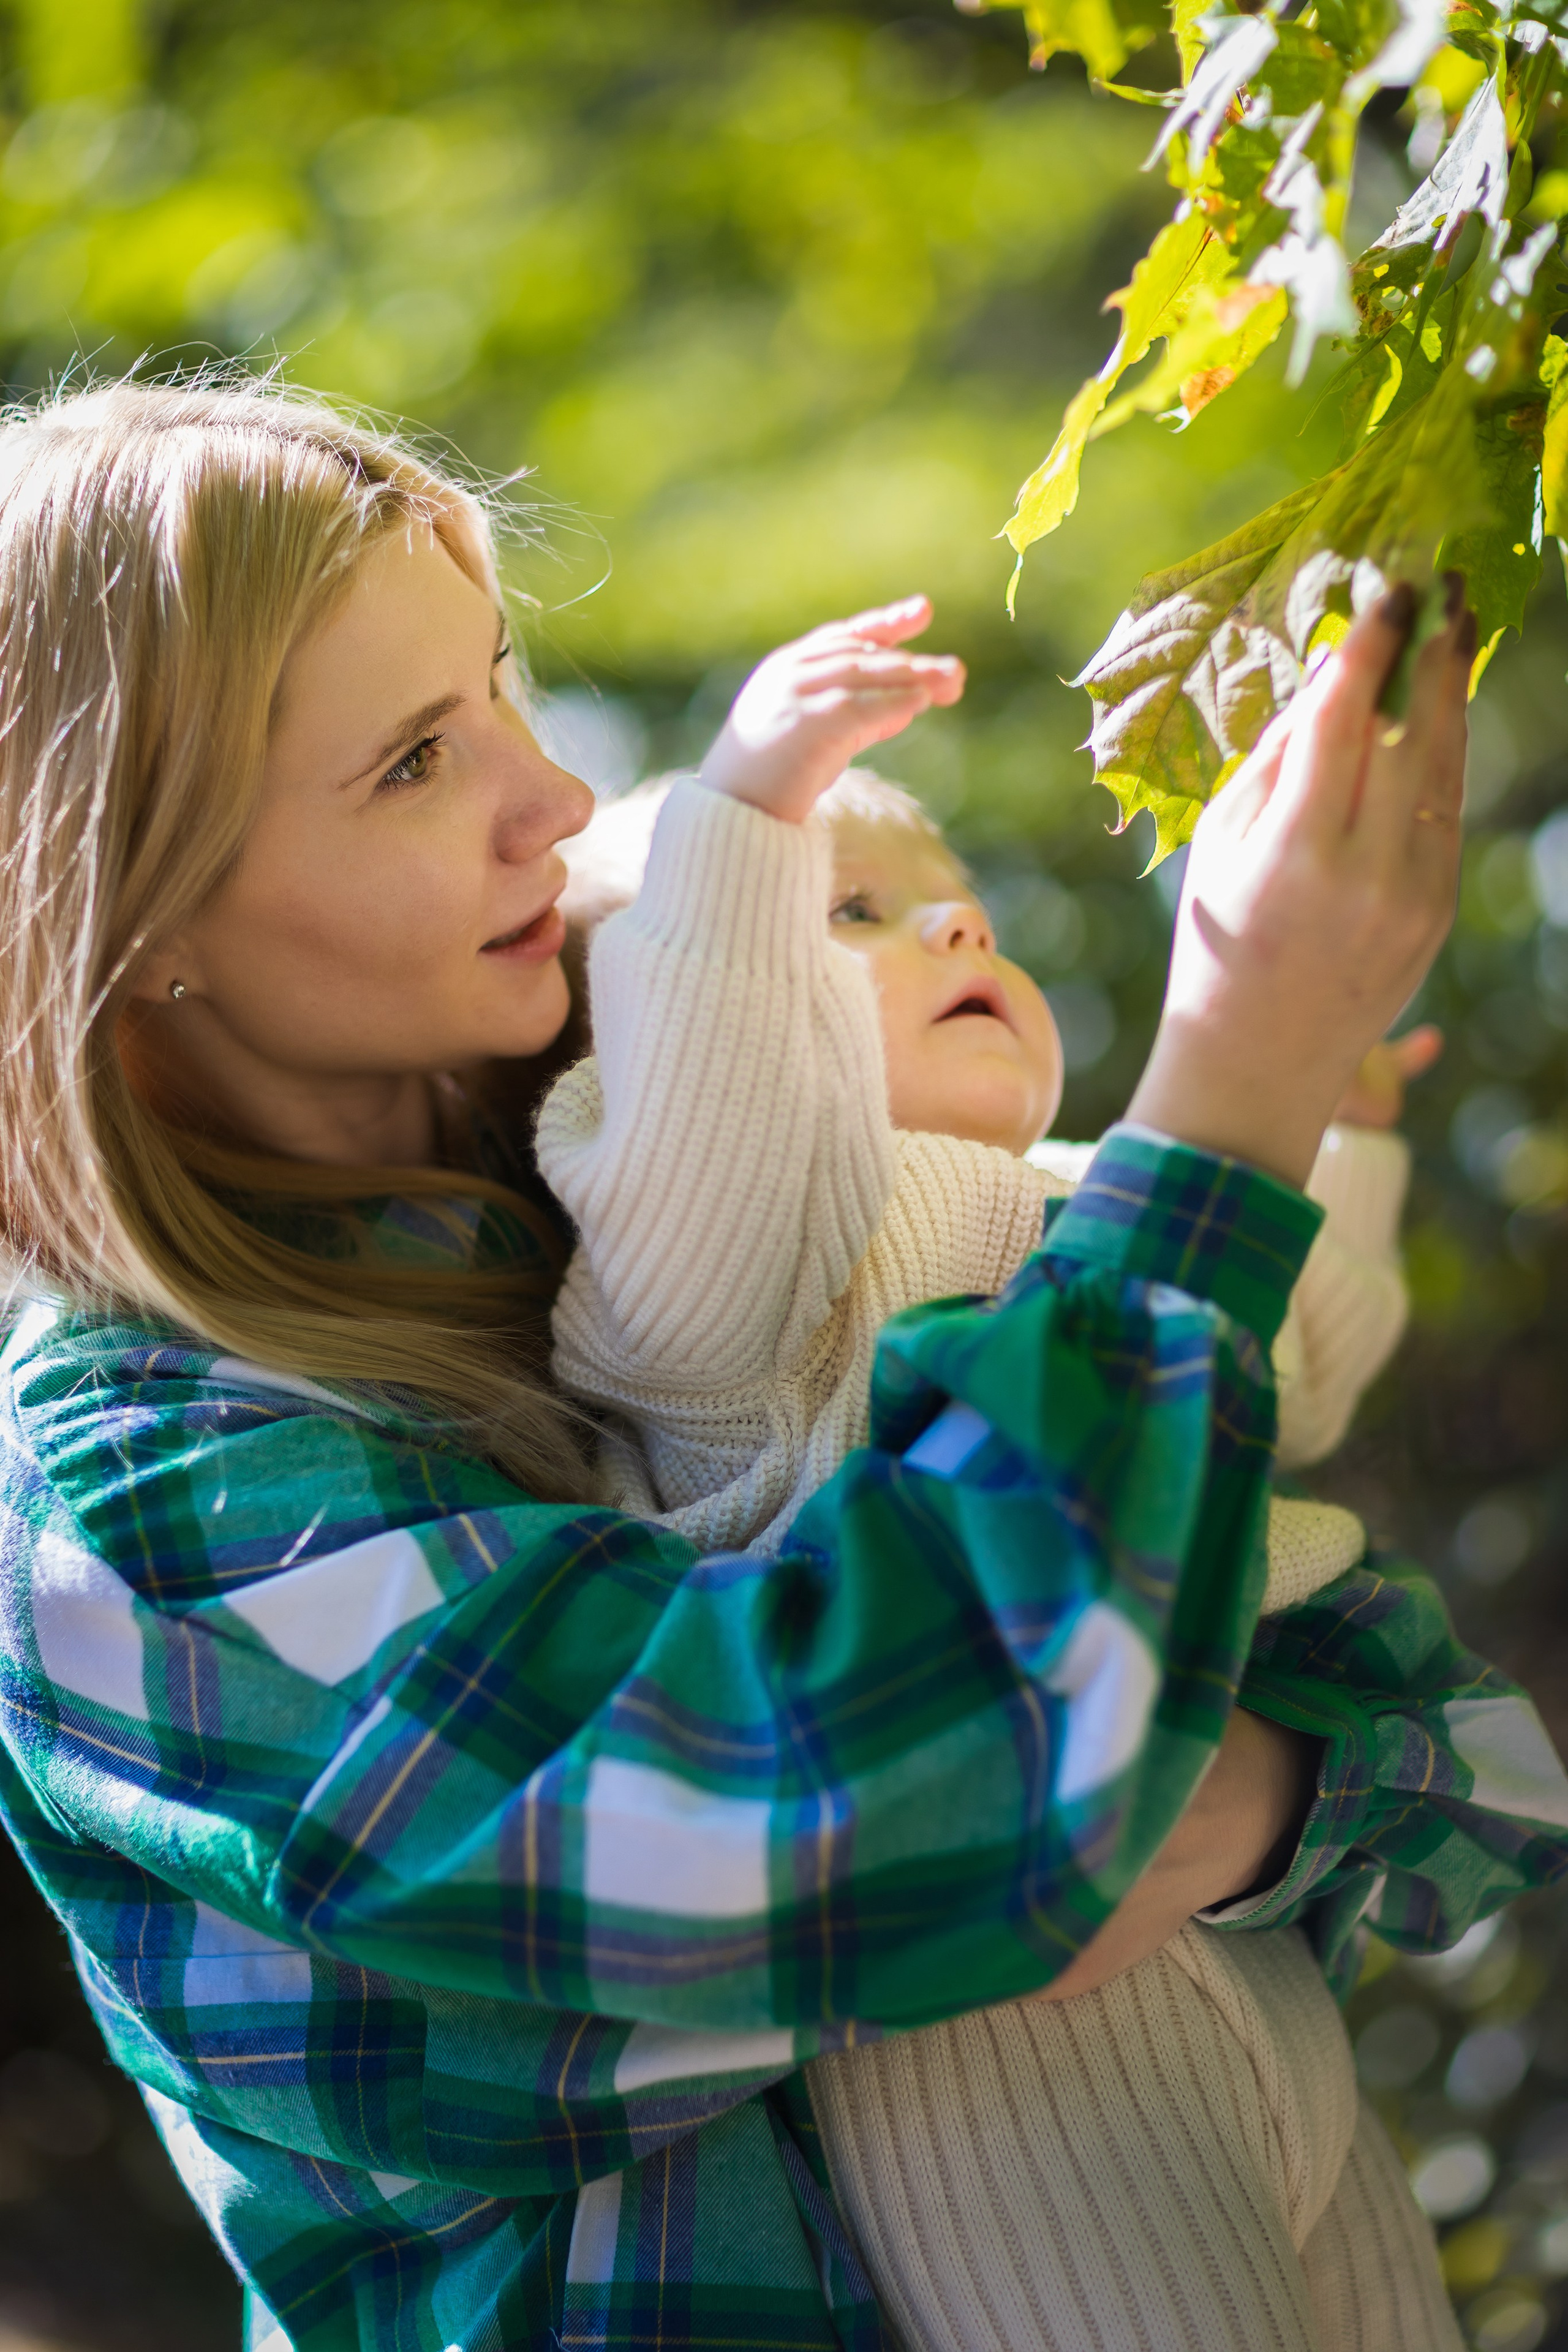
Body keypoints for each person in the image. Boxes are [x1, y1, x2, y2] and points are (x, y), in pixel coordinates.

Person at [0, 375, 1561, 2352]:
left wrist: (1236, 1785)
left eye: (498, 688)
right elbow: (901, 1801)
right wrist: (1234, 1091)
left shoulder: (634, 1142)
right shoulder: (146, 1519)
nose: (551, 800)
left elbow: (1236, 1729)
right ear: (128, 917)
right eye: (410, 762)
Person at [527, 609, 1530, 2347]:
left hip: (1242, 1953)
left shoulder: (1094, 1192)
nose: (955, 920)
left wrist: (1328, 1118)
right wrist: (746, 805)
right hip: (1006, 2028)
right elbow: (710, 1117)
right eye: (849, 912)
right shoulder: (744, 1271)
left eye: (947, 892)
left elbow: (1293, 1365)